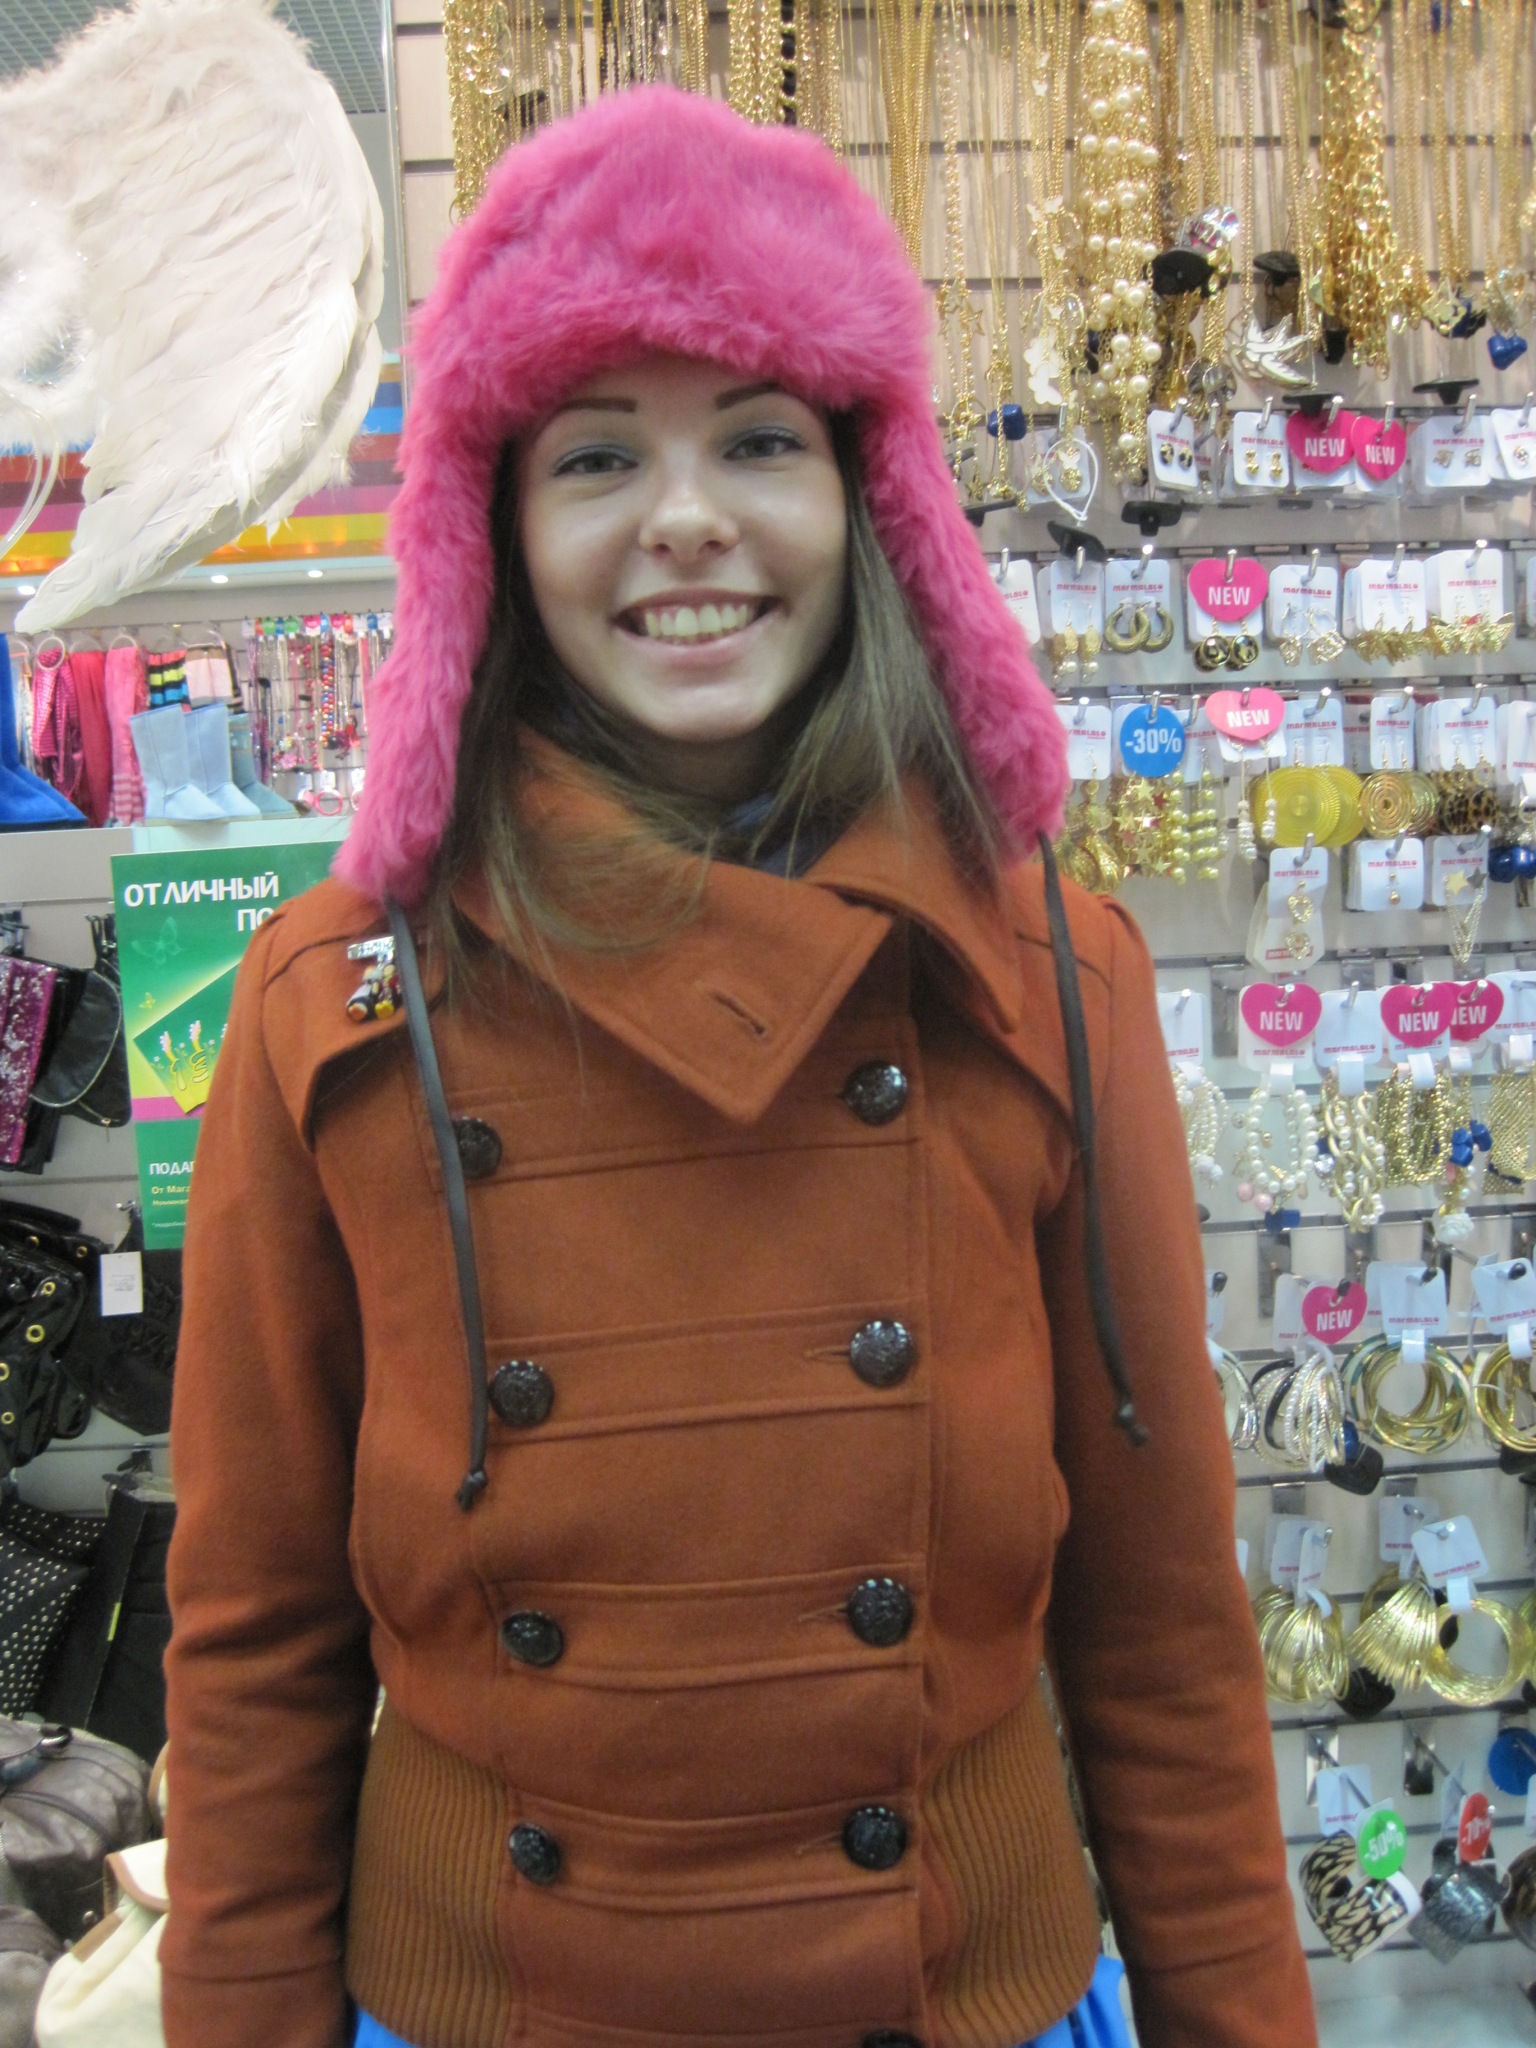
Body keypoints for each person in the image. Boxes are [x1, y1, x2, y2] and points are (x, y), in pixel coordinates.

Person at [161, 84, 1316, 2048]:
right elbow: (256, 1637)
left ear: (875, 505)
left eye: (761, 439)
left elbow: (1160, 1624)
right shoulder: (336, 999)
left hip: (953, 1997)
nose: (685, 517)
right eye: (597, 453)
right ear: (493, 536)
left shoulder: (1047, 970)